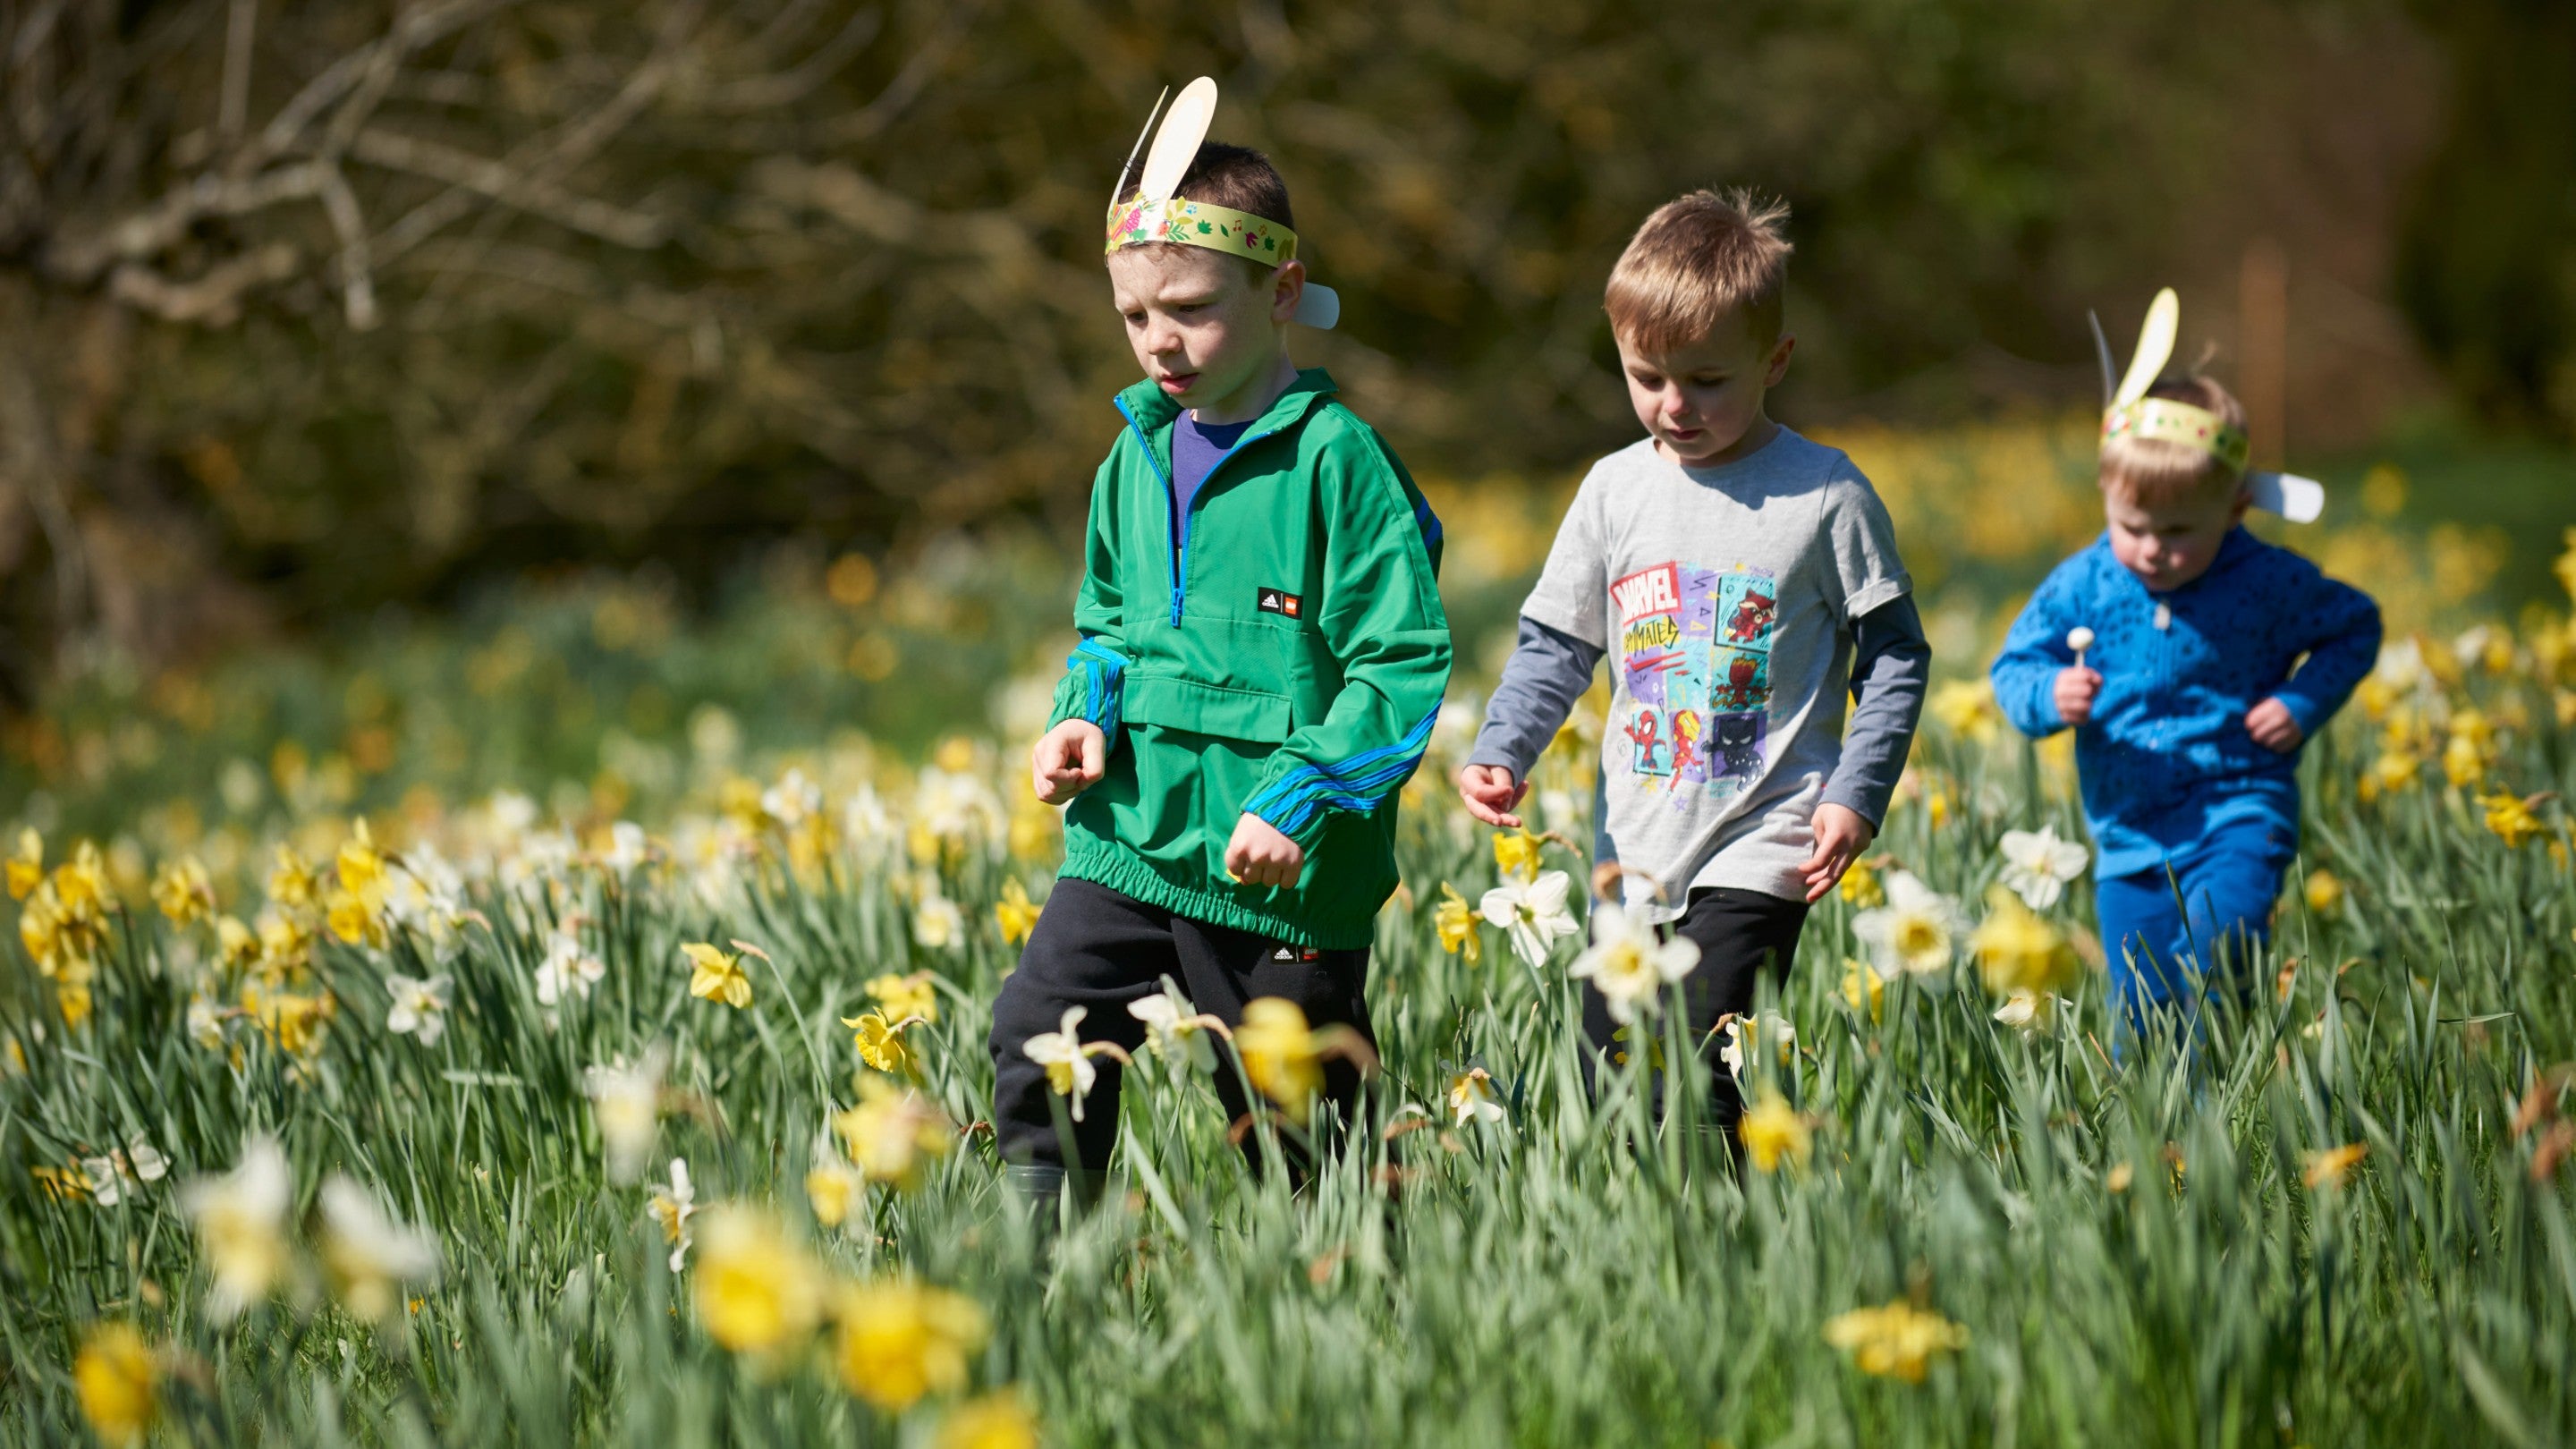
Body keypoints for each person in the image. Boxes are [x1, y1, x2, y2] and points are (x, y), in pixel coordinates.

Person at [990, 80, 1451, 1208]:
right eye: (1136, 317)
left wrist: (1299, 800)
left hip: (1277, 876)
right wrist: (1081, 715)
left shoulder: (1339, 463)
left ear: (1282, 290)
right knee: (1035, 1038)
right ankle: (1035, 1284)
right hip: (1133, 842)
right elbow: (1109, 627)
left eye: (1191, 309)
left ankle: (1355, 1317)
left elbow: (1401, 665)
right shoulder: (1131, 458)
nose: (1161, 342)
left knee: (1295, 1129)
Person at [1457, 189, 1928, 1131]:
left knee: (1695, 1074)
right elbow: (1559, 641)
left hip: (1767, 837)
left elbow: (1894, 656)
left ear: (1775, 361)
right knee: (1608, 1082)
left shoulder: (1825, 496)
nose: (1674, 406)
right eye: (1646, 377)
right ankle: (1662, 1260)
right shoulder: (1614, 490)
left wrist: (1855, 793)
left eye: (1708, 379)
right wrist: (1504, 745)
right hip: (1630, 848)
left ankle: (1730, 1250)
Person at [1990, 290, 2380, 1046]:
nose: (2150, 549)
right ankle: (2162, 1148)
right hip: (2126, 831)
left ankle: (2223, 1120)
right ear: (2107, 493)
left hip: (2240, 809)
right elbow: (2014, 665)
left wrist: (2303, 701)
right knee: (2139, 1008)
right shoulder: (2085, 582)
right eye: (2132, 526)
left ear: (2234, 507)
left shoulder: (2266, 579)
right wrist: (2049, 694)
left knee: (2217, 962)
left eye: (2178, 531)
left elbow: (2354, 626)